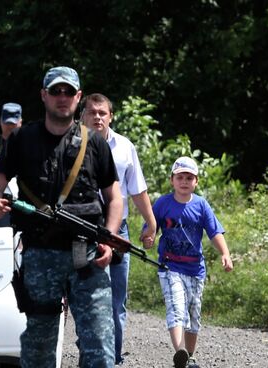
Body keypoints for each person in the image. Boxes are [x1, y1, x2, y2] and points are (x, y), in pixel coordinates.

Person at [0, 66, 122, 368]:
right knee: (40, 349)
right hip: (40, 256)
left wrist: (109, 238)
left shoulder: (95, 143)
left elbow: (114, 198)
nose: (62, 97)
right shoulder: (21, 139)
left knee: (100, 347)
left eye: (68, 92)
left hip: (88, 256)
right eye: (55, 91)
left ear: (78, 97)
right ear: (43, 95)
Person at [81, 92, 157, 365]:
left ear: (111, 116)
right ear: (83, 115)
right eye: (92, 112)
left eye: (103, 113)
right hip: (84, 229)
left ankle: (113, 358)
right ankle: (91, 351)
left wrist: (151, 221)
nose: (98, 117)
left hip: (119, 232)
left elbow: (137, 189)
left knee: (116, 301)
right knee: (90, 298)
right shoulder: (72, 145)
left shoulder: (125, 147)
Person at [151, 156, 233, 368]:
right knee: (176, 308)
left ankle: (189, 356)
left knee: (193, 316)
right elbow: (151, 226)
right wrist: (148, 236)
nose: (184, 181)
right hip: (170, 267)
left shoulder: (201, 205)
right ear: (172, 180)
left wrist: (225, 253)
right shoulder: (162, 203)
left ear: (196, 181)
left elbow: (214, 231)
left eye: (189, 177)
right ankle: (180, 351)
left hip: (196, 269)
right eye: (180, 177)